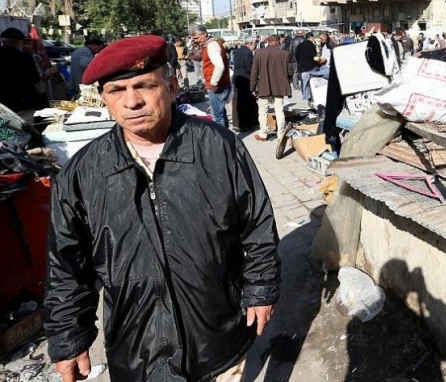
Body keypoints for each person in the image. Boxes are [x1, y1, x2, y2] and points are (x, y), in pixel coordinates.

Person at [44, 35, 280, 382]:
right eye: (117, 91)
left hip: (217, 332)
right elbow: (65, 265)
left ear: (170, 85)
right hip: (137, 343)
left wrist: (261, 288)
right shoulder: (84, 173)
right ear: (105, 99)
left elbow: (257, 223)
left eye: (144, 86)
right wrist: (68, 337)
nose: (132, 101)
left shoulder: (218, 147)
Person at [250, 35, 292, 142]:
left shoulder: (258, 53)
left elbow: (254, 72)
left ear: (267, 41)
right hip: (279, 87)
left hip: (264, 86)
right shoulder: (285, 54)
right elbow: (290, 71)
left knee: (263, 111)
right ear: (278, 42)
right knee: (279, 110)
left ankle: (263, 134)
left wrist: (252, 87)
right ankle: (281, 134)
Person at [191, 25, 232, 128]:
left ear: (204, 33)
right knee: (220, 112)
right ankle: (226, 137)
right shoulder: (209, 44)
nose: (196, 40)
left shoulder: (212, 45)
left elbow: (219, 65)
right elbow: (196, 57)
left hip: (217, 84)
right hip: (219, 83)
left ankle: (221, 140)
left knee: (217, 116)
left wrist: (214, 82)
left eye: (196, 37)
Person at [0, 27, 40, 113]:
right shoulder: (24, 57)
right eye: (22, 41)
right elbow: (35, 78)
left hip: (3, 103)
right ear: (16, 41)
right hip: (22, 102)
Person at [232, 38, 258, 132]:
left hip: (237, 77)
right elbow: (249, 67)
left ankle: (237, 124)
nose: (255, 47)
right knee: (246, 102)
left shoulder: (238, 51)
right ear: (251, 43)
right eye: (255, 44)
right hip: (245, 79)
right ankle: (245, 124)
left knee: (237, 101)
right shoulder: (248, 53)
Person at [296, 32, 319, 107]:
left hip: (303, 67)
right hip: (312, 67)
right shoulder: (312, 45)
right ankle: (312, 95)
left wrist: (300, 63)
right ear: (311, 37)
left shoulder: (300, 45)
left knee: (304, 82)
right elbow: (314, 56)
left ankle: (305, 95)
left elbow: (296, 55)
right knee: (311, 82)